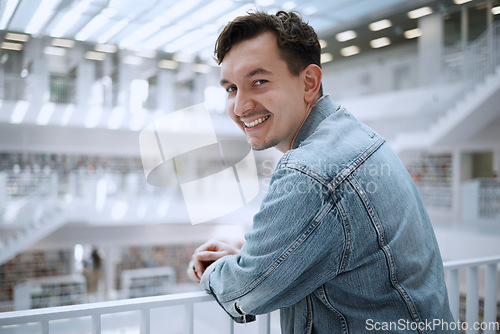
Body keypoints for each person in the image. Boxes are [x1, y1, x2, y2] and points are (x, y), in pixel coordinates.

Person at [188, 10, 458, 333]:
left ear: (309, 82)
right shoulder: (361, 138)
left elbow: (245, 291)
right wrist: (255, 260)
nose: (240, 106)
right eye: (231, 88)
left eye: (258, 82)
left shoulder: (309, 171)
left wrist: (212, 272)